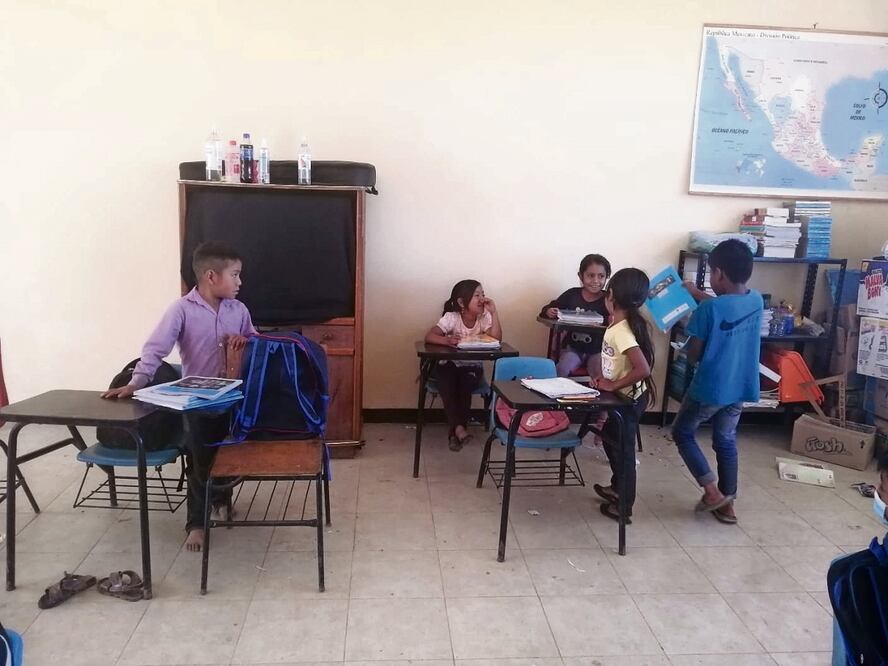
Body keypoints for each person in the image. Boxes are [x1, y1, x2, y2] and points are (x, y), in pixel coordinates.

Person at [103, 241, 255, 552]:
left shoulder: (239, 310)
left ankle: (222, 502)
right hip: (197, 403)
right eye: (235, 275)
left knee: (229, 456)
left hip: (233, 399)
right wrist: (135, 383)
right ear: (211, 276)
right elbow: (155, 349)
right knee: (199, 463)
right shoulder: (181, 310)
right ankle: (196, 525)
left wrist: (247, 340)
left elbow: (255, 342)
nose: (240, 282)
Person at [672, 239, 763, 524]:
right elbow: (728, 307)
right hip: (740, 387)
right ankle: (728, 504)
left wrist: (684, 344)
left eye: (711, 273)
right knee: (725, 439)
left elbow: (694, 354)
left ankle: (712, 492)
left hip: (710, 387)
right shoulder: (756, 299)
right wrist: (698, 293)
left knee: (682, 432)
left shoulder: (707, 312)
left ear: (720, 273)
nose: (711, 278)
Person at [590, 268, 655, 523]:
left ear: (612, 296)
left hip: (629, 400)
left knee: (625, 451)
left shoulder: (622, 331)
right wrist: (607, 382)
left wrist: (612, 385)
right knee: (609, 438)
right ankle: (618, 488)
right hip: (623, 398)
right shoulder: (619, 325)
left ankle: (624, 507)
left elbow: (643, 369)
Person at [424, 279, 502, 451]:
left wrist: (494, 313)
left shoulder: (484, 318)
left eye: (483, 294)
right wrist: (446, 340)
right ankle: (460, 429)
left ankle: (455, 432)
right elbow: (429, 336)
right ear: (461, 302)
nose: (482, 298)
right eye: (476, 295)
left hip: (471, 368)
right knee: (447, 378)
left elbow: (496, 339)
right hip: (449, 366)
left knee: (465, 383)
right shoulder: (452, 317)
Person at [539, 254, 611, 377]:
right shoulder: (572, 295)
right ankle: (557, 393)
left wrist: (612, 319)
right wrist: (549, 311)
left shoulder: (608, 299)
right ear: (580, 276)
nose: (595, 281)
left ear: (607, 277)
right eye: (590, 275)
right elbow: (548, 308)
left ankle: (596, 396)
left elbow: (618, 319)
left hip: (597, 351)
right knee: (561, 368)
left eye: (601, 276)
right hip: (573, 349)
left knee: (601, 373)